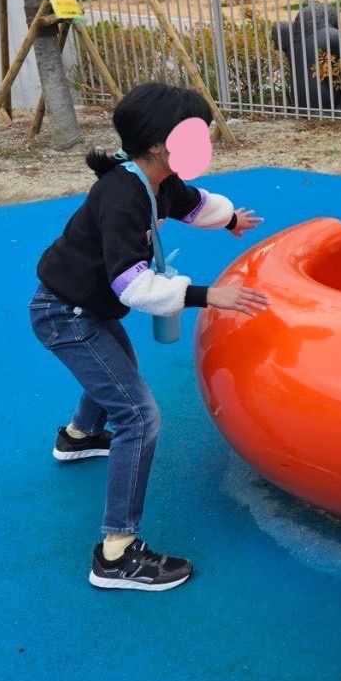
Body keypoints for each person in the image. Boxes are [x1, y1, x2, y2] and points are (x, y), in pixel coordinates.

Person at [31, 82, 269, 591]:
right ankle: (116, 553)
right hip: (67, 313)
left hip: (85, 306)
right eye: (195, 133)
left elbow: (191, 204)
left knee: (120, 371)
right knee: (138, 415)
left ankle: (78, 438)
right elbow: (131, 283)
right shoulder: (120, 194)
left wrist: (228, 219)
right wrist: (207, 296)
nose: (204, 139)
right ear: (161, 143)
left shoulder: (157, 178)